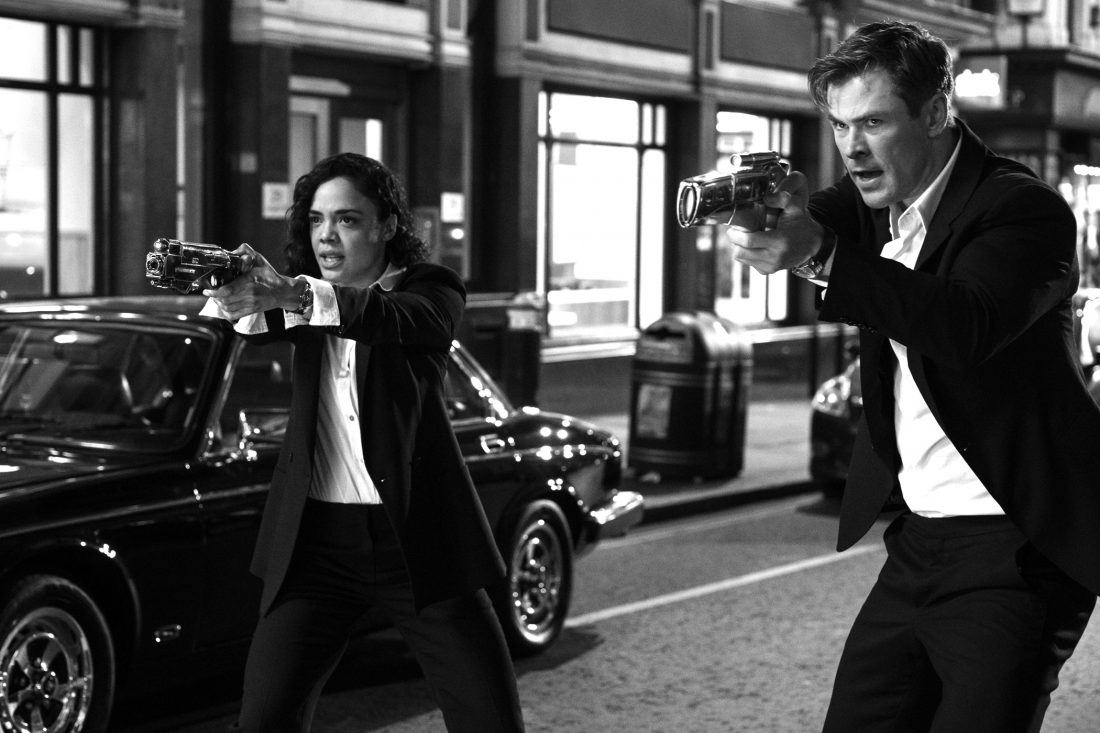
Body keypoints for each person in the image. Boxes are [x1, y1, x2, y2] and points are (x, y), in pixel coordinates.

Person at [728, 21, 1100, 733]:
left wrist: (820, 255)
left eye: (873, 122)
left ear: (934, 112)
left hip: (1015, 547)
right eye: (839, 124)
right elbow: (810, 222)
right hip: (918, 541)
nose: (852, 147)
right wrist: (769, 214)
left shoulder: (1023, 209)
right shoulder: (874, 200)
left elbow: (962, 323)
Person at [201, 152, 525, 732]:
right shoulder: (303, 300)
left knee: (488, 721)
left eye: (347, 219)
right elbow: (247, 320)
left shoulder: (430, 290)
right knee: (264, 720)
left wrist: (292, 294)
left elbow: (392, 319)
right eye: (316, 220)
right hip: (316, 544)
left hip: (416, 540)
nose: (327, 235)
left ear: (387, 226)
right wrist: (232, 287)